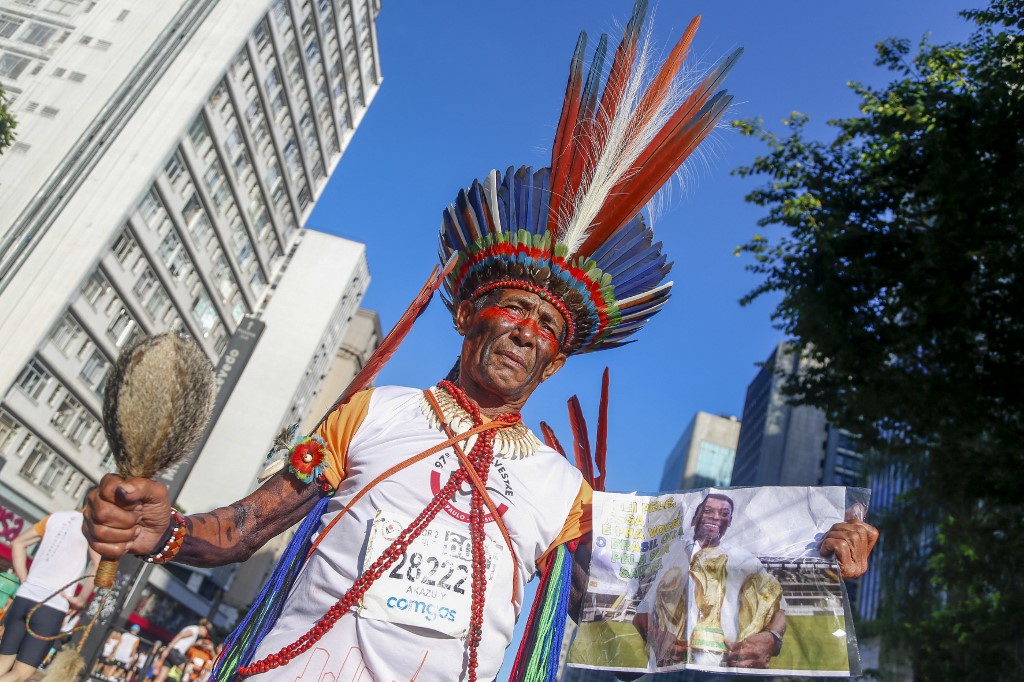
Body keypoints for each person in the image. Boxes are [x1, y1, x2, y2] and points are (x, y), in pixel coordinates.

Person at [81, 3, 879, 680]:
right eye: (514, 309)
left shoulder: (566, 491)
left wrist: (814, 574)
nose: (525, 333)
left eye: (547, 329)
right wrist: (168, 531)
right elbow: (246, 527)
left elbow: (644, 613)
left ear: (557, 359)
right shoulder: (371, 413)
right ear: (467, 315)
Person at [633, 494, 786, 670]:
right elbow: (642, 612)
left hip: (726, 667)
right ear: (694, 518)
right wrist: (655, 635)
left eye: (724, 513)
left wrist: (772, 637)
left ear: (729, 521)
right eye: (708, 511)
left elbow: (779, 608)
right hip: (669, 668)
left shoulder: (745, 560)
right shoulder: (669, 554)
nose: (715, 517)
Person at [0, 508, 99, 682]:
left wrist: (24, 578)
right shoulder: (94, 528)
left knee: (3, 662)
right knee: (21, 673)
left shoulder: (55, 517)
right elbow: (97, 566)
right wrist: (82, 599)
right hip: (52, 606)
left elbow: (17, 543)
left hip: (24, 597)